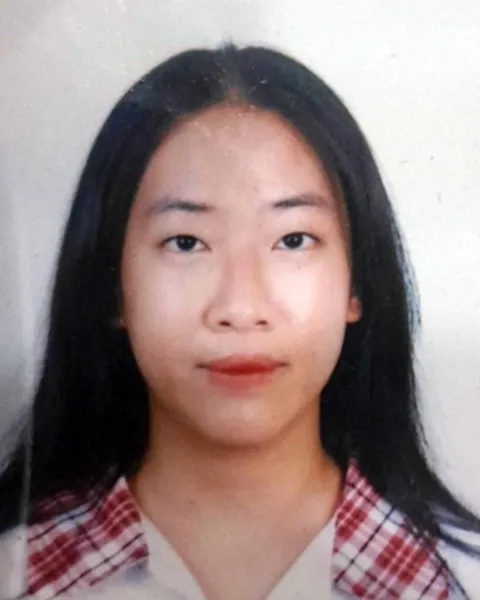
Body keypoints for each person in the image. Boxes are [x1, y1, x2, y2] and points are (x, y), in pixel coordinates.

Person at [0, 43, 478, 600]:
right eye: (186, 242)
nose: (241, 307)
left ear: (356, 285)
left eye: (293, 240)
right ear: (112, 288)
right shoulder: (16, 574)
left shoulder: (458, 580)